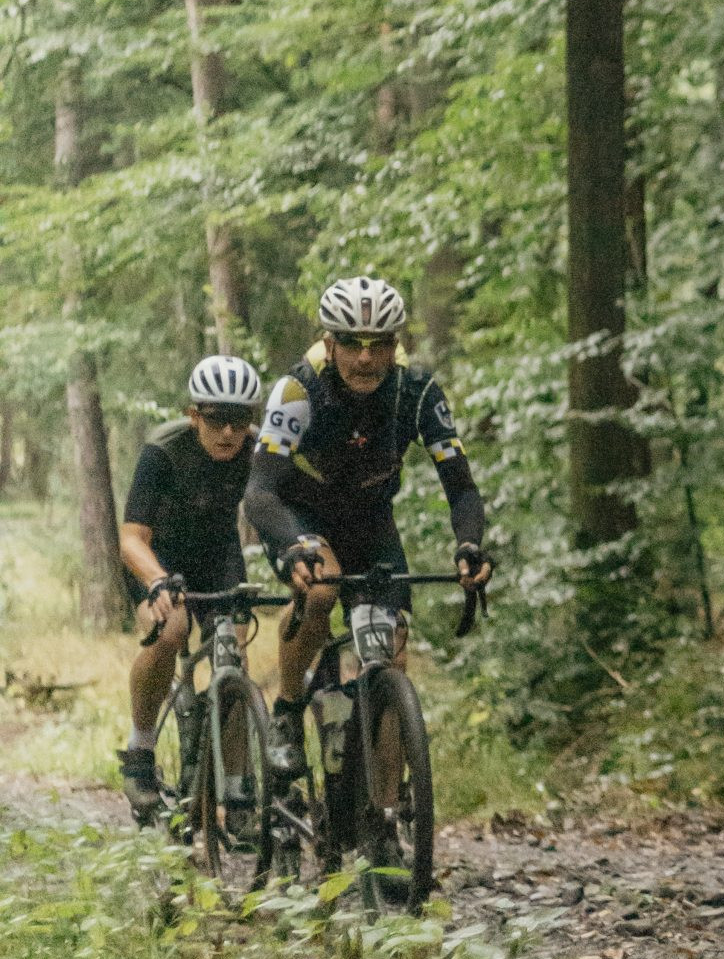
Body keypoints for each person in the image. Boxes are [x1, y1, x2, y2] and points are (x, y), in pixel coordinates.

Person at [245, 276, 491, 779]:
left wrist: (469, 543)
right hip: (302, 515)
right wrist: (290, 546)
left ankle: (384, 809)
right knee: (321, 590)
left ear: (395, 345)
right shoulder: (298, 390)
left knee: (391, 657)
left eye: (379, 344)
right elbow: (260, 491)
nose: (365, 359)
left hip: (370, 521)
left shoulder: (417, 393)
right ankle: (287, 711)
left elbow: (461, 487)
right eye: (352, 344)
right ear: (329, 342)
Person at [116, 355, 264, 823]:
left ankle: (236, 784)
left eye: (239, 420)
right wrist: (156, 580)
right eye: (217, 420)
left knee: (232, 655)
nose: (228, 433)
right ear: (194, 415)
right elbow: (131, 537)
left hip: (217, 555)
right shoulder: (164, 449)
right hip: (156, 556)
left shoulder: (257, 450)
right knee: (171, 629)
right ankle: (140, 750)